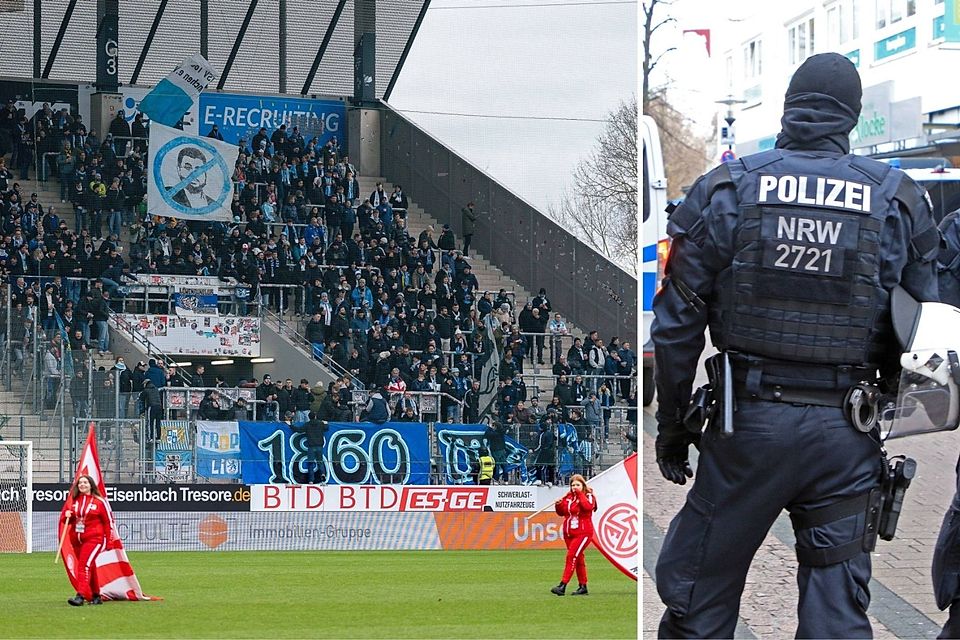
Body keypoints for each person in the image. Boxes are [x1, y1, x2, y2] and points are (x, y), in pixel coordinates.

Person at [651, 53, 939, 638]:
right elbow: (928, 334)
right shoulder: (897, 200)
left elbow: (677, 324)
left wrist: (675, 424)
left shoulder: (727, 188)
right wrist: (887, 411)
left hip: (743, 431)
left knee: (698, 604)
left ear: (789, 107)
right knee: (835, 619)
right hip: (846, 434)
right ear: (851, 117)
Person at [61, 474, 110, 606]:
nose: (82, 485)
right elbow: (66, 520)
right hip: (77, 540)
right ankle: (96, 595)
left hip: (94, 538)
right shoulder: (74, 501)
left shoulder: (99, 502)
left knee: (83, 566)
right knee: (90, 566)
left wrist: (108, 541)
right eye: (80, 483)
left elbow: (108, 522)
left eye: (85, 482)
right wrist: (67, 516)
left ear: (91, 485)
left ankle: (80, 596)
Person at [550, 473, 597, 597]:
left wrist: (580, 494)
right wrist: (558, 504)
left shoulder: (588, 496)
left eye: (577, 484)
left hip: (583, 532)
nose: (574, 487)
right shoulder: (568, 497)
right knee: (578, 559)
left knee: (571, 556)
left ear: (583, 485)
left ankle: (563, 585)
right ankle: (583, 586)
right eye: (572, 485)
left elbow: (588, 507)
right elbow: (562, 513)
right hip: (569, 532)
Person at [293, 411, 328, 484]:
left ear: (309, 417)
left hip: (311, 446)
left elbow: (299, 430)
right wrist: (326, 423)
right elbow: (326, 428)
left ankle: (311, 480)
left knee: (311, 463)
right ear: (315, 416)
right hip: (319, 446)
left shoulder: (307, 424)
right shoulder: (320, 423)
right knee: (320, 462)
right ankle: (322, 474)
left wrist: (290, 425)